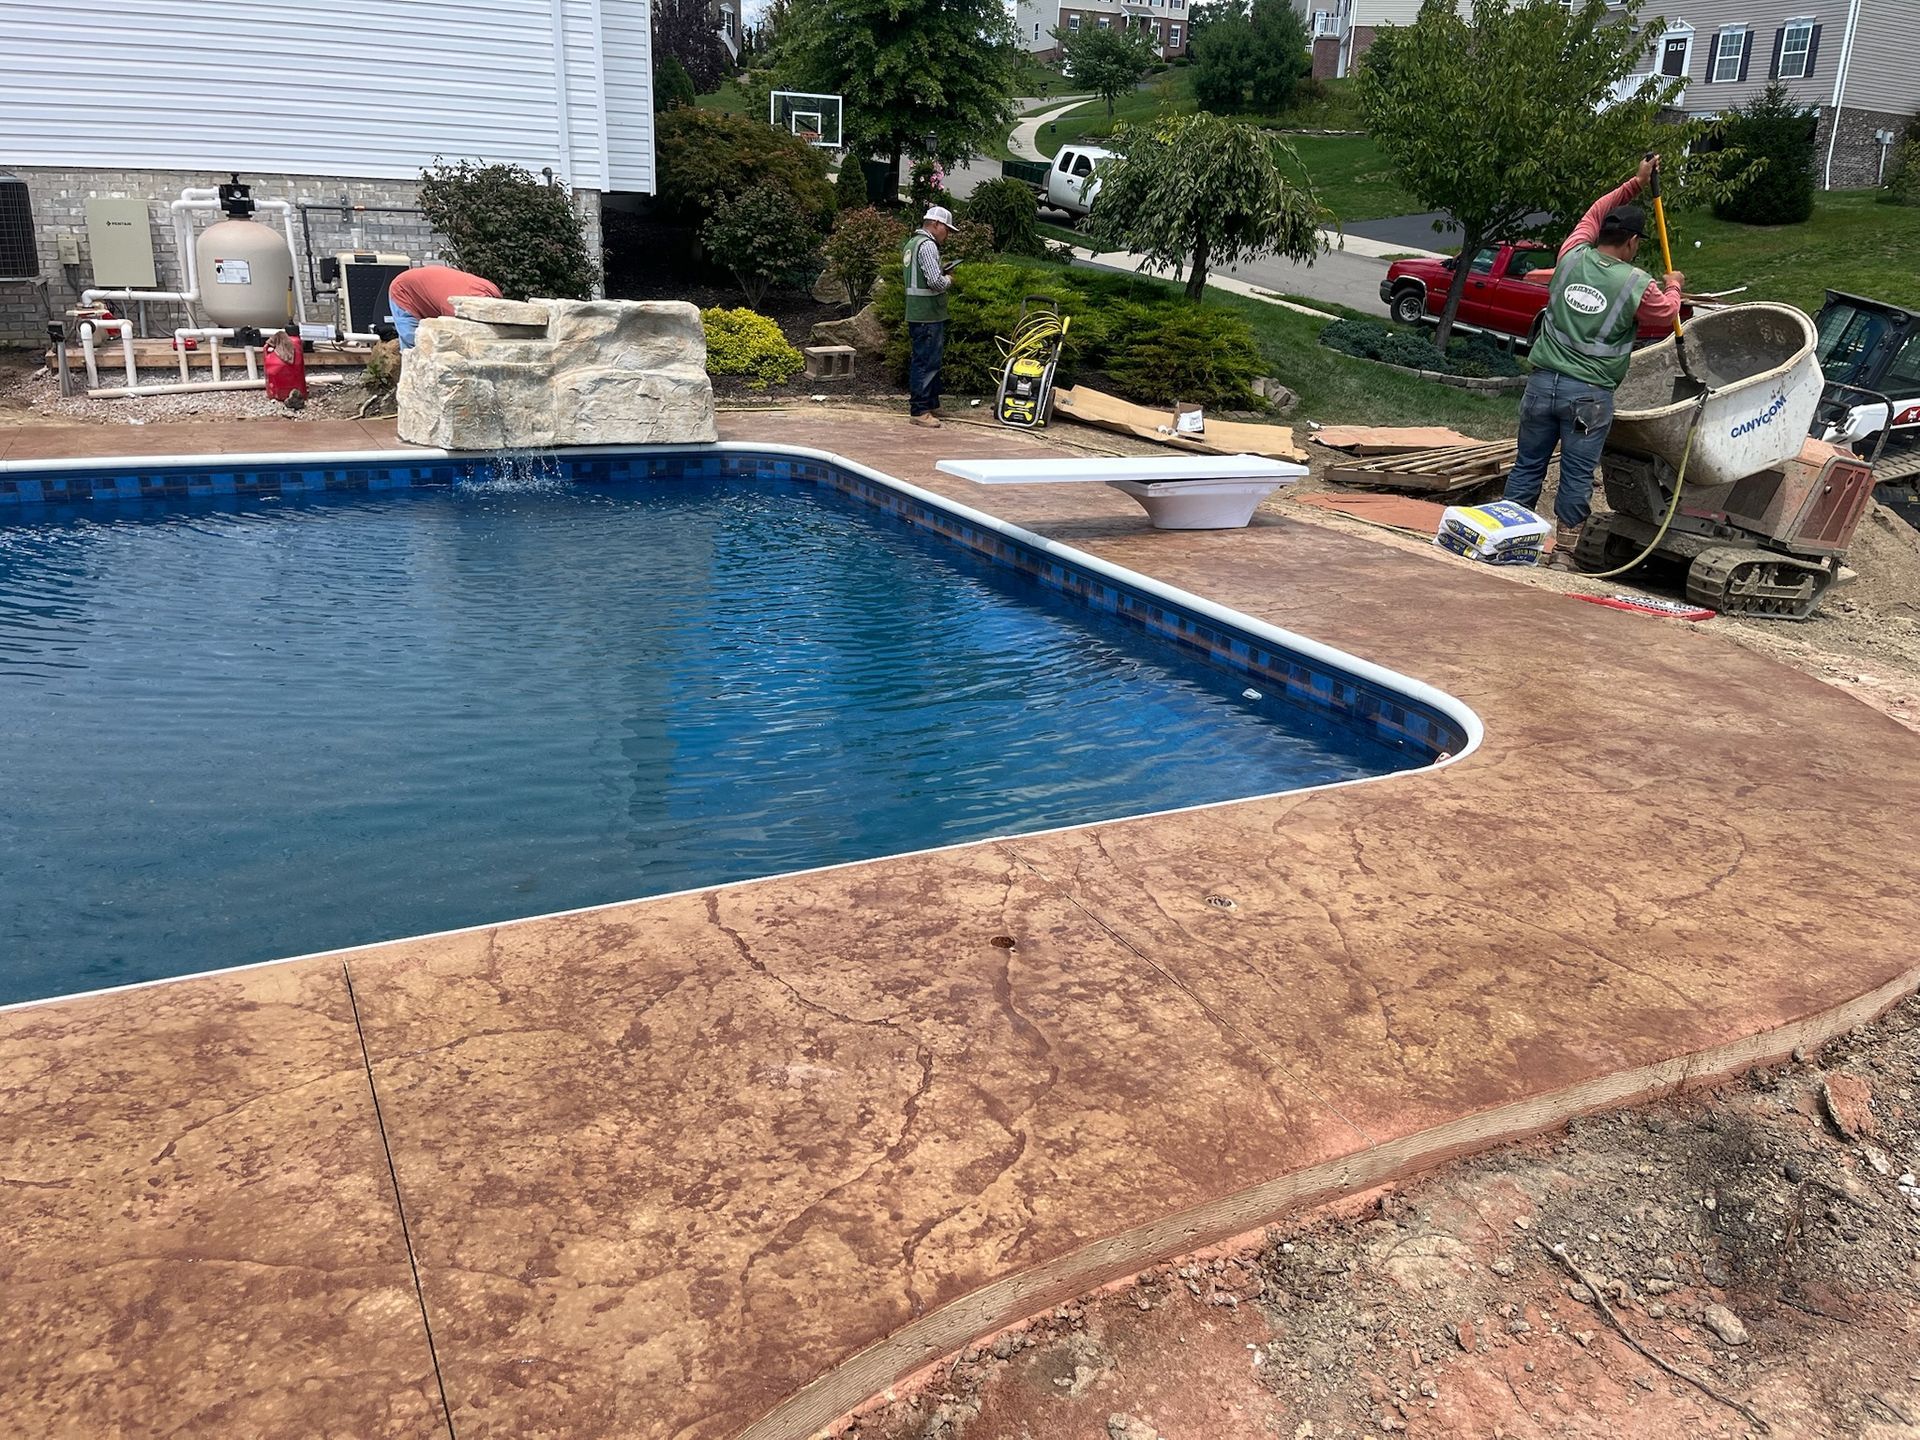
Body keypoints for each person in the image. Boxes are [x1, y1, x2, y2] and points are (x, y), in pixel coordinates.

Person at [1501, 154, 1685, 563]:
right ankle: (1564, 554)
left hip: (1541, 383)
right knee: (1576, 475)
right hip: (1588, 396)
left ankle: (1510, 539)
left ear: (1600, 233)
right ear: (1633, 242)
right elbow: (1666, 313)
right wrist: (1674, 286)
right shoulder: (1637, 283)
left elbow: (1594, 210)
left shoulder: (1570, 256)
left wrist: (1634, 183)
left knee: (1528, 464)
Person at [902, 205, 957, 429]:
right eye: (947, 229)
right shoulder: (927, 246)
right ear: (936, 224)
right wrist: (949, 280)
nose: (948, 235)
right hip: (927, 314)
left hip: (920, 313)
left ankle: (931, 403)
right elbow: (935, 282)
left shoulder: (912, 244)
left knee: (929, 361)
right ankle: (920, 410)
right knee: (925, 363)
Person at [385, 264, 503, 349]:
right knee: (415, 345)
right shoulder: (458, 308)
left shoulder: (492, 291)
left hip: (428, 287)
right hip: (404, 290)